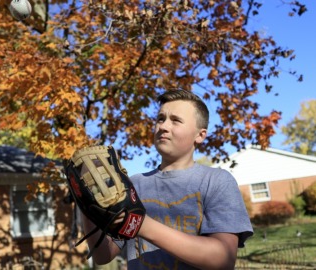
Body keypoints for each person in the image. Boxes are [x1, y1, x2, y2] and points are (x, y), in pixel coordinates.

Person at [81, 90, 253, 269]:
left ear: (200, 135)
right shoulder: (133, 184)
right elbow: (103, 255)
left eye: (176, 120)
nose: (163, 126)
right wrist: (86, 204)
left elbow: (222, 260)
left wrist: (142, 225)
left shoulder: (217, 181)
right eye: (161, 119)